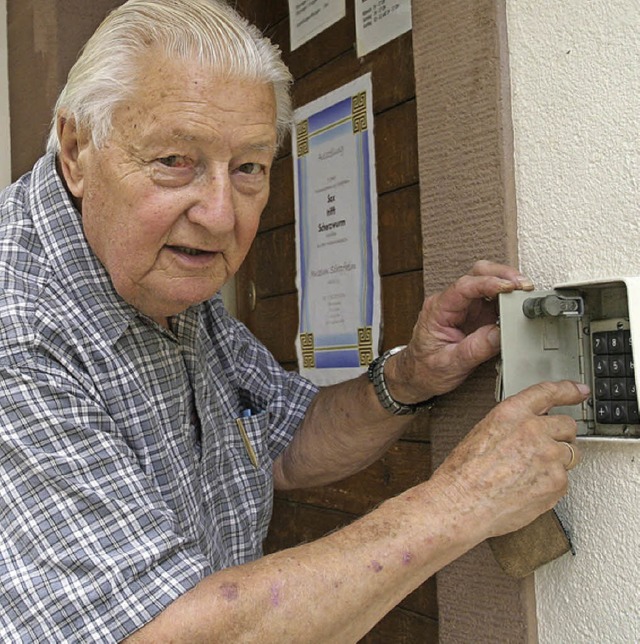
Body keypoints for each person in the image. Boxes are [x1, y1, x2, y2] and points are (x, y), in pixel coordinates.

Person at [0, 0, 587, 641]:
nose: (222, 215)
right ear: (78, 148)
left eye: (249, 167)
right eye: (175, 161)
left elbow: (286, 443)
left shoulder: (162, 279)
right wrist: (463, 502)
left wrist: (412, 377)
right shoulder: (20, 324)